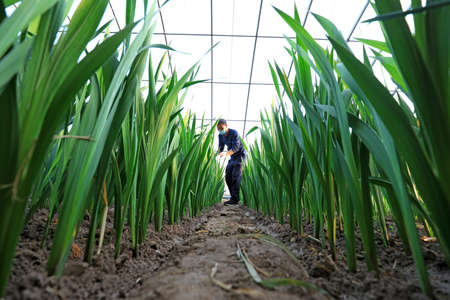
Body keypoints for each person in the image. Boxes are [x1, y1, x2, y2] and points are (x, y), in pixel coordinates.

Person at [217, 119, 247, 206]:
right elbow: (220, 148)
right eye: (218, 129)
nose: (220, 130)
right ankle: (234, 198)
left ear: (226, 125)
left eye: (221, 128)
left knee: (235, 176)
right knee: (228, 176)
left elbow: (236, 147)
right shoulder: (220, 136)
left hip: (240, 156)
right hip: (232, 157)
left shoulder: (234, 133)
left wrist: (226, 154)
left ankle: (235, 199)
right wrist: (216, 153)